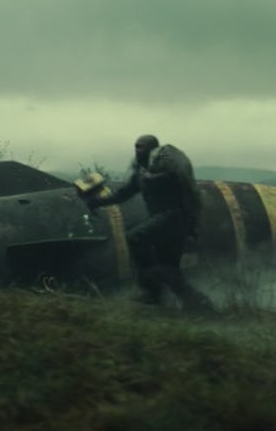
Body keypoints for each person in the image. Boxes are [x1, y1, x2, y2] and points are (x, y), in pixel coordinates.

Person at [85, 134, 214, 314]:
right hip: (165, 221)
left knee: (135, 238)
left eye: (141, 147)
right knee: (168, 267)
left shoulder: (168, 167)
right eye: (136, 146)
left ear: (152, 148)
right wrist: (97, 202)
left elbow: (185, 188)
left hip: (174, 218)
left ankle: (152, 288)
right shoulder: (143, 172)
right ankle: (196, 303)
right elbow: (124, 193)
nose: (137, 151)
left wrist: (193, 226)